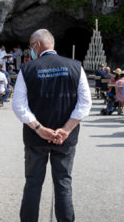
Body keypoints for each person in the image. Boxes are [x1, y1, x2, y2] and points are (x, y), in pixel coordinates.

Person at [12, 29, 92, 222]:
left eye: (31, 45)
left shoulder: (28, 69)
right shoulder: (75, 66)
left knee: (33, 183)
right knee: (63, 183)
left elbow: (18, 105)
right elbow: (85, 102)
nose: (30, 50)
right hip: (65, 138)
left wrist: (39, 128)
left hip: (35, 137)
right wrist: (66, 129)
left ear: (37, 45)